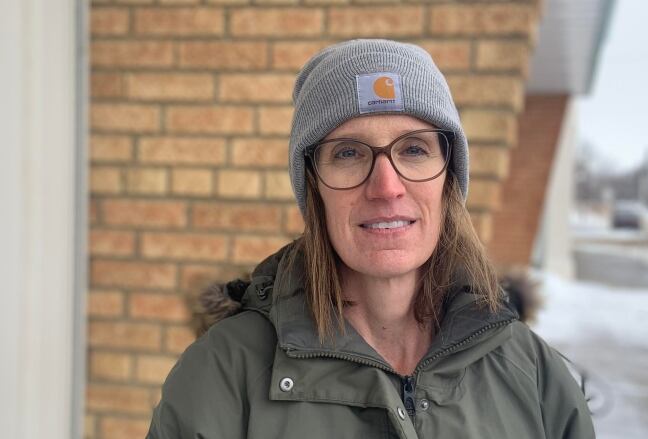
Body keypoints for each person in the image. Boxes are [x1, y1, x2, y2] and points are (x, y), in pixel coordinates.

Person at [147, 39, 595, 438]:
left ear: (448, 179)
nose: (386, 186)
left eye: (414, 149)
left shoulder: (532, 372)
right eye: (348, 153)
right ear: (313, 186)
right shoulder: (224, 373)